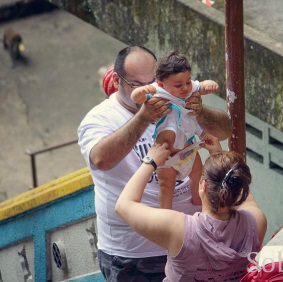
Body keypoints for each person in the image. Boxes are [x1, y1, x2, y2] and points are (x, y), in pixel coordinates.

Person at [77, 45, 232, 281]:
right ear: (119, 81)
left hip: (190, 240)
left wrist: (201, 112)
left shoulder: (177, 96)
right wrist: (144, 117)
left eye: (154, 82)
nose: (151, 92)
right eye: (139, 86)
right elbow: (101, 160)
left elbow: (224, 130)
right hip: (137, 252)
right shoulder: (100, 118)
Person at [115, 135, 268, 281]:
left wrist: (150, 161)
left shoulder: (180, 230)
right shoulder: (256, 223)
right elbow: (242, 193)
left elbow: (123, 205)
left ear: (203, 187)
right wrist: (219, 155)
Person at [131, 50, 220, 210]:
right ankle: (166, 214)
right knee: (166, 187)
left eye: (187, 81)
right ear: (160, 83)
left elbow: (202, 86)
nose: (185, 87)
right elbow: (136, 97)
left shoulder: (190, 88)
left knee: (199, 179)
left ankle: (199, 205)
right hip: (167, 158)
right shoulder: (157, 91)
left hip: (189, 152)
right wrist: (141, 92)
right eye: (178, 85)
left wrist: (210, 85)